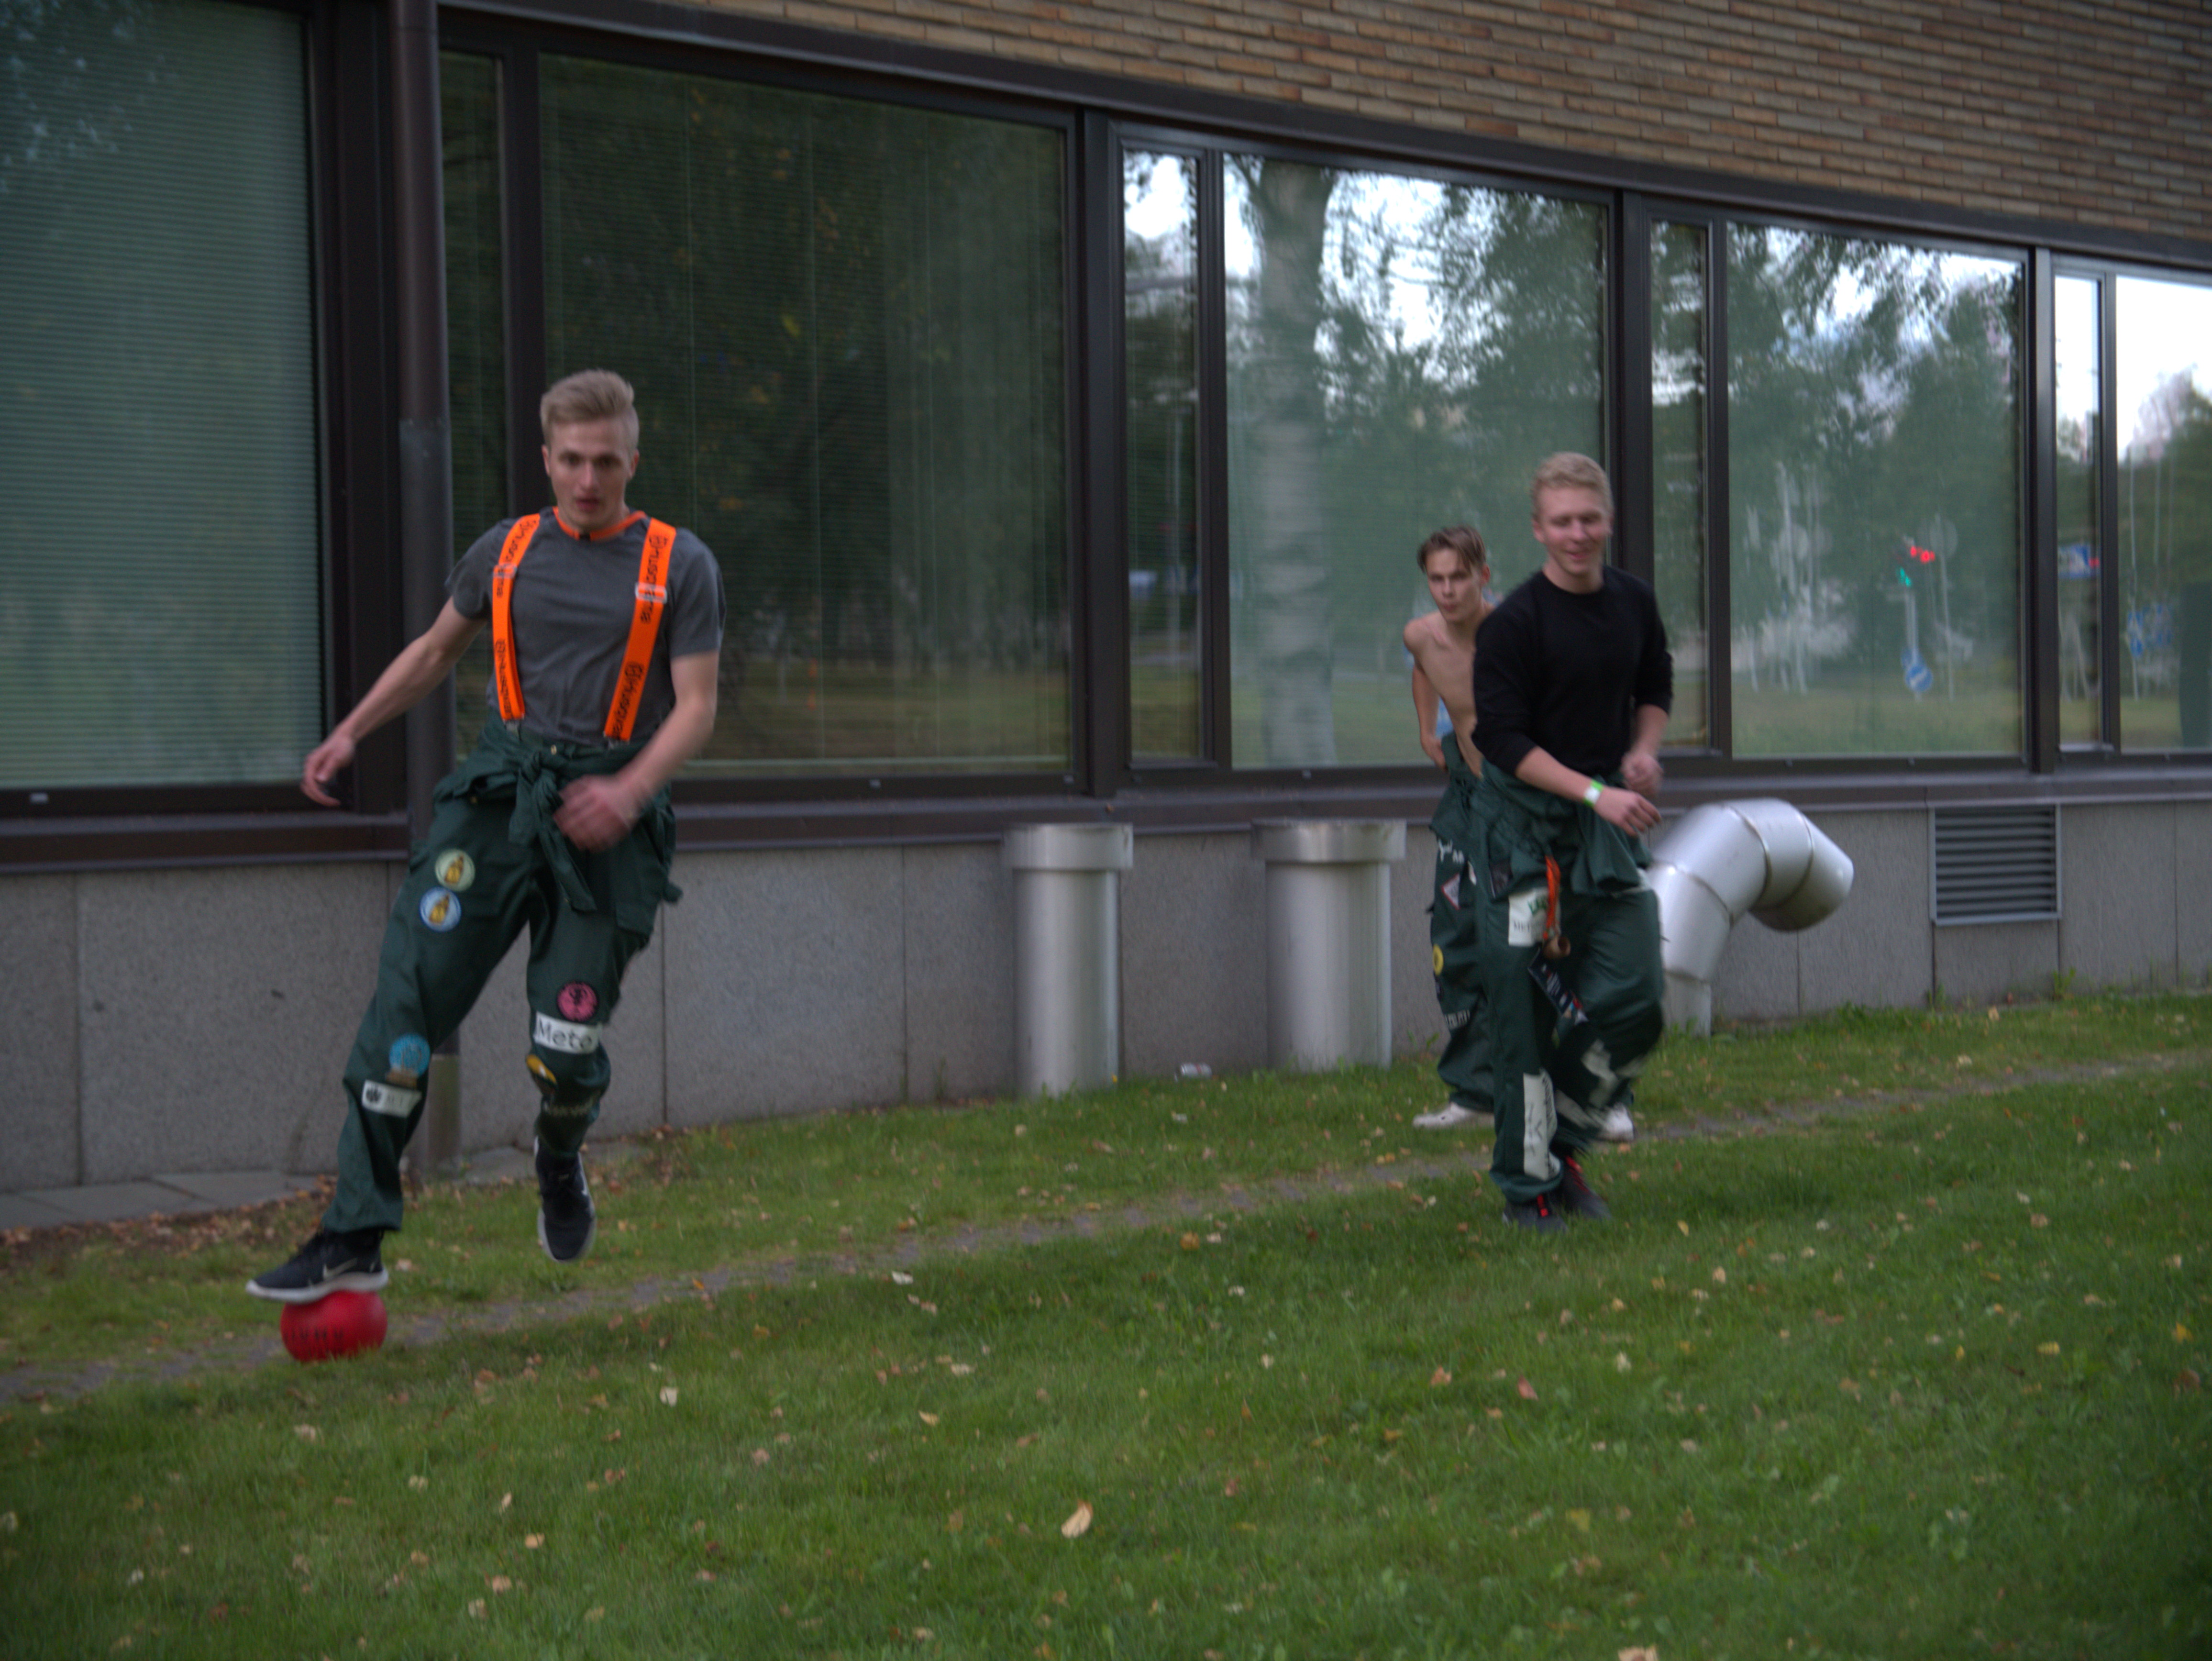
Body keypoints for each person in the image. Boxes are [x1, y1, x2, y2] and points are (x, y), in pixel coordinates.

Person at [248, 370, 725, 1302]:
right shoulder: (503, 551)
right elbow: (435, 651)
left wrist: (628, 791)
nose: (587, 479)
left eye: (606, 461)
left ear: (633, 461)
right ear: (545, 458)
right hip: (498, 798)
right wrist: (350, 731)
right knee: (403, 1013)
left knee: (565, 1048)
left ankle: (557, 1153)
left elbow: (698, 706)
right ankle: (353, 1231)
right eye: (571, 460)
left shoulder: (682, 564)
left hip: (609, 822)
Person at [1467, 453, 1670, 1231]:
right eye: (1561, 521)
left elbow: (1654, 684)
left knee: (1636, 996)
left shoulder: (1633, 602)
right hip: (1522, 837)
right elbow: (1502, 740)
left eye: (1588, 518)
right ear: (1537, 529)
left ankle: (1563, 1142)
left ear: (1607, 520)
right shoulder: (1513, 623)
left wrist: (1642, 750)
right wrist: (1595, 792)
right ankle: (1529, 1191)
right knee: (1522, 1018)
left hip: (1603, 832)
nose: (1576, 533)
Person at [1401, 527, 1495, 1133]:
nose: (1448, 590)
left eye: (1459, 577)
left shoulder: (1515, 634)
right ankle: (1475, 1092)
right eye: (1437, 579)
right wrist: (1426, 727)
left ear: (1482, 575)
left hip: (1524, 801)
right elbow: (1423, 667)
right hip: (1466, 797)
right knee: (1455, 939)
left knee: (1544, 943)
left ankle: (1585, 1090)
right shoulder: (1420, 634)